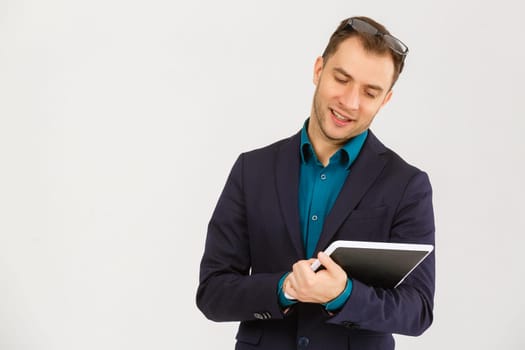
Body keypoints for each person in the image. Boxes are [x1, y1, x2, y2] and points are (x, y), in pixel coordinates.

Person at [196, 16, 435, 350]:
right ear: (318, 69)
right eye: (341, 78)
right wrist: (285, 289)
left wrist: (343, 294)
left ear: (386, 100)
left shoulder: (408, 185)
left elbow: (417, 310)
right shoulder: (252, 170)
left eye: (370, 92)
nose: (350, 102)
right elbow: (212, 293)